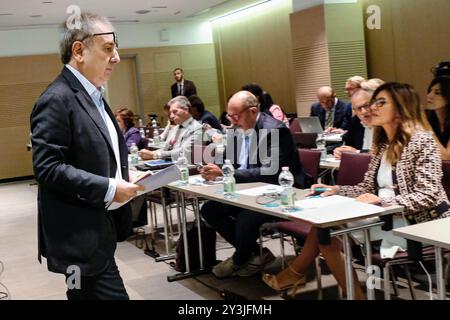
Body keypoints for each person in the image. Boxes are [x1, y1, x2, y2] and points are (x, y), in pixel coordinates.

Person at [263, 82, 450, 299]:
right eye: (373, 103)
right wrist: (336, 189)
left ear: (400, 108)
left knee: (327, 232)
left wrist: (383, 203)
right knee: (324, 230)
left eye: (381, 103)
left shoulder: (422, 141)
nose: (372, 109)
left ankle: (298, 276)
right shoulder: (382, 144)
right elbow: (367, 187)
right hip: (384, 217)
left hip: (417, 223)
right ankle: (351, 294)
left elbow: (427, 194)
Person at [30, 12, 144, 300]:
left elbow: (92, 153)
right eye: (108, 48)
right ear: (78, 51)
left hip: (97, 232)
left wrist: (123, 177)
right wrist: (109, 187)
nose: (116, 57)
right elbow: (48, 168)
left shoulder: (92, 95)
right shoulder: (56, 99)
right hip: (77, 238)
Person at [199, 91, 306, 279]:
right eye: (228, 116)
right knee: (209, 209)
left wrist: (226, 173)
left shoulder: (274, 130)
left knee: (246, 217)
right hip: (247, 189)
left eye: (235, 116)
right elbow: (228, 162)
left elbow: (270, 172)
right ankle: (257, 253)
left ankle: (239, 259)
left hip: (282, 191)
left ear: (253, 111)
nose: (231, 121)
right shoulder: (235, 130)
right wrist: (213, 168)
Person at [138, 96, 202, 161]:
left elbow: (184, 152)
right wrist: (150, 153)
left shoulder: (198, 128)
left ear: (186, 110)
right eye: (170, 113)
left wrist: (156, 155)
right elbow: (165, 149)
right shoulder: (175, 128)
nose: (171, 116)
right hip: (170, 163)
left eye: (174, 112)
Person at [333, 79, 384, 159]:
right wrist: (340, 151)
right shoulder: (356, 121)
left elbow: (387, 154)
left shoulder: (389, 126)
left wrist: (358, 152)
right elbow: (347, 144)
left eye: (367, 105)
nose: (363, 112)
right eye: (358, 108)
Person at [426, 76, 450, 160]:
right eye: (430, 91)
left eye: (437, 92)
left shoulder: (425, 122)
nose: (429, 95)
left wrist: (425, 126)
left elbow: (447, 157)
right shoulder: (428, 117)